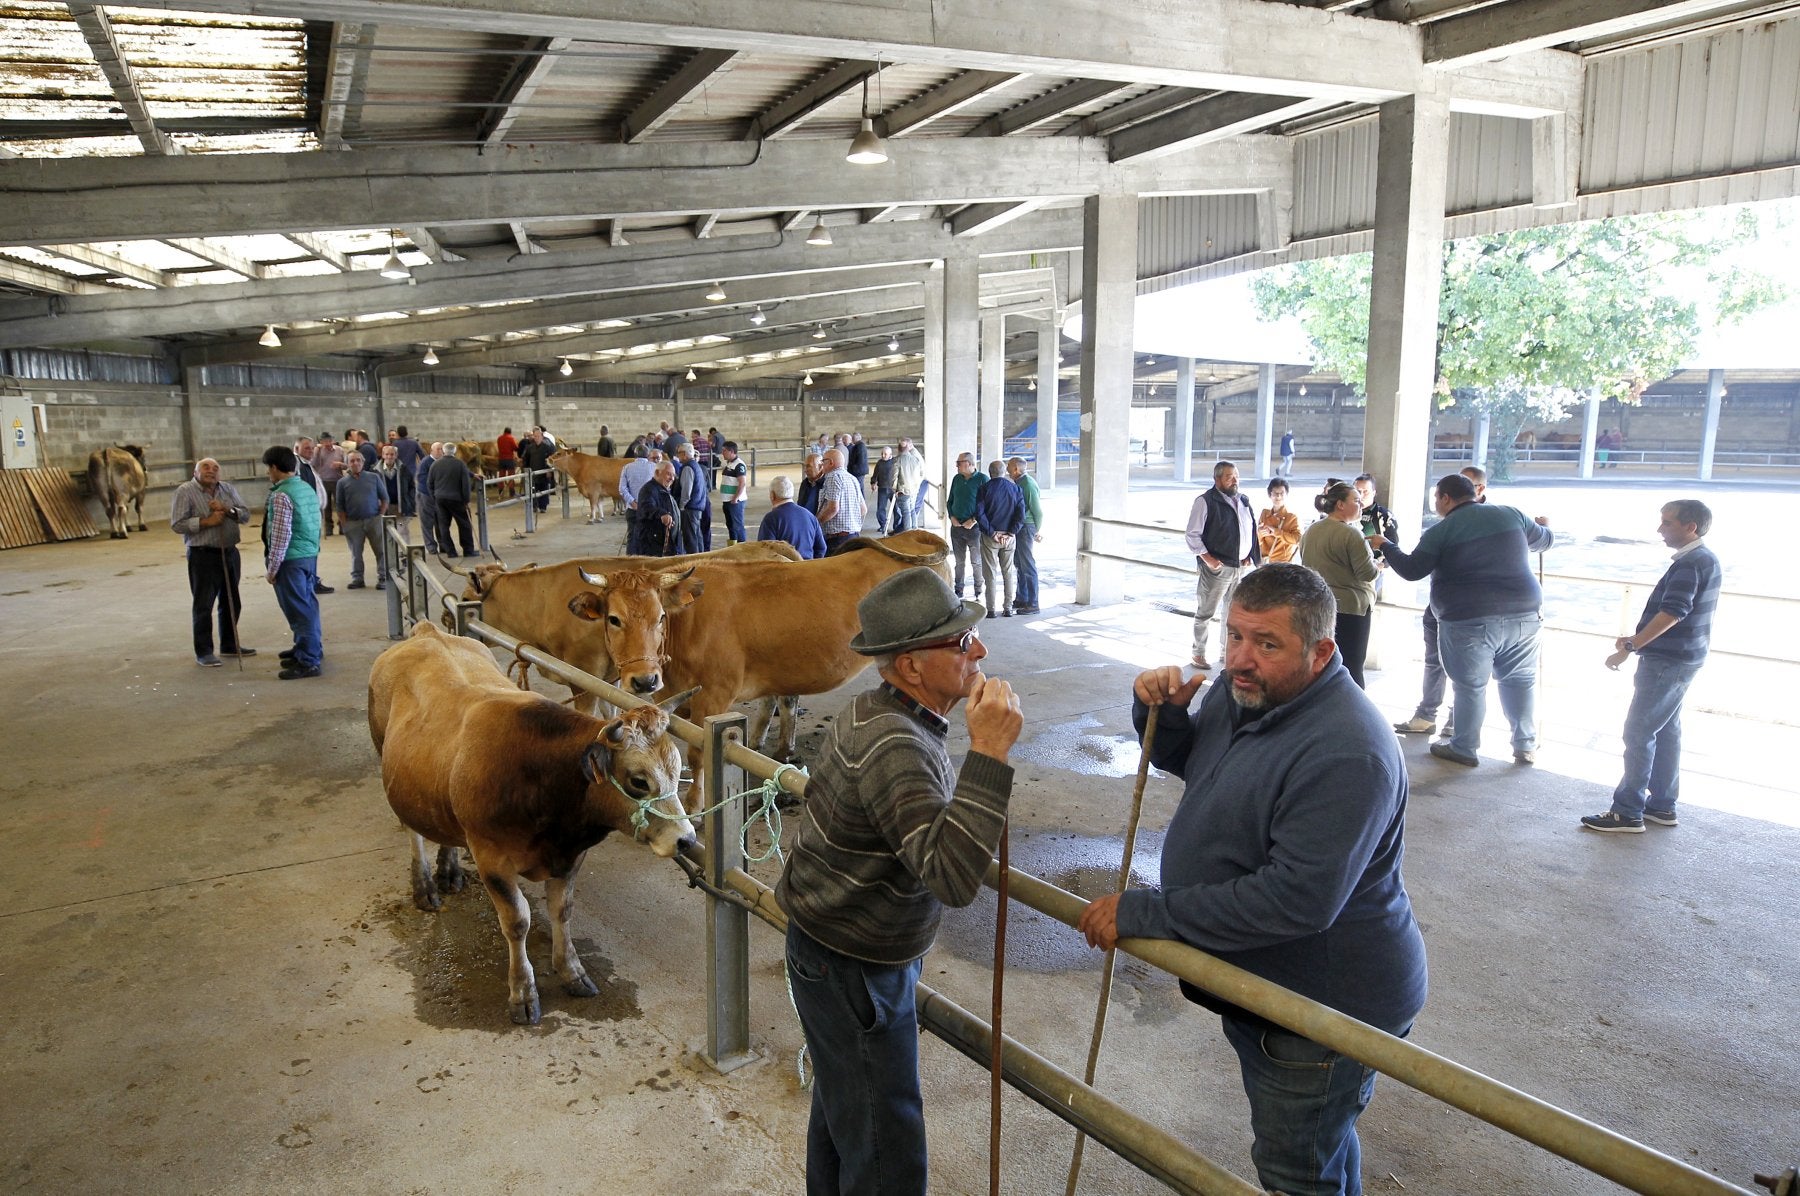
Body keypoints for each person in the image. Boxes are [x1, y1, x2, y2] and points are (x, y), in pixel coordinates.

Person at [1079, 563, 1426, 1196]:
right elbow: (1201, 765)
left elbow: (1298, 899)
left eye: (1267, 644)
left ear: (1321, 652)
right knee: (1319, 1147)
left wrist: (1149, 912)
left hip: (1321, 1006)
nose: (1240, 658)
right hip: (1265, 982)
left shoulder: (1347, 750)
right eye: (1234, 635)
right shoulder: (1246, 690)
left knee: (1297, 1171)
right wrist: (1164, 718)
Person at [776, 567, 1021, 1196]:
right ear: (911, 666)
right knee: (888, 1154)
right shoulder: (895, 743)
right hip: (854, 969)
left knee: (847, 1115)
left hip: (832, 950)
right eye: (960, 642)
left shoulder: (875, 710)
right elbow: (953, 877)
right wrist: (990, 753)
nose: (979, 649)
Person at [1372, 474, 1553, 768]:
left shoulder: (1441, 531)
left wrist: (1387, 546)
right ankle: (1525, 745)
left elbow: (1412, 570)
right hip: (1525, 614)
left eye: (1436, 498)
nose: (1435, 503)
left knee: (1470, 686)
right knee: (1520, 680)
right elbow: (1545, 541)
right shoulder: (1512, 514)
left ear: (1445, 498)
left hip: (1468, 618)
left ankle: (1465, 747)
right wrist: (1544, 526)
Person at [1581, 500, 1723, 833]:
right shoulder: (1706, 559)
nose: (1660, 529)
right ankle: (1661, 805)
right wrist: (1636, 638)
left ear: (1691, 527)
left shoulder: (1690, 563)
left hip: (1667, 661)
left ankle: (1627, 811)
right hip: (1686, 657)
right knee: (1666, 731)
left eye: (1667, 523)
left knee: (1639, 732)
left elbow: (1674, 612)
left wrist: (1633, 645)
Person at [1394, 465, 1487, 738]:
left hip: (1470, 612)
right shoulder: (1444, 528)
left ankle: (1457, 723)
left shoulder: (1494, 519)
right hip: (1440, 608)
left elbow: (1412, 569)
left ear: (1479, 489)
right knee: (1435, 662)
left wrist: (1387, 546)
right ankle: (1427, 715)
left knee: (1467, 671)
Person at [170, 457, 255, 667]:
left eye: (215, 468)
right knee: (203, 604)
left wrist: (227, 510)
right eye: (206, 467)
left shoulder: (227, 489)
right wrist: (206, 522)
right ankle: (204, 651)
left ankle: (229, 644)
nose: (211, 471)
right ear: (195, 472)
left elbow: (245, 515)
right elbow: (177, 524)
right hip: (203, 555)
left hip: (230, 552)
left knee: (231, 601)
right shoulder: (185, 491)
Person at [1299, 481, 1379, 688]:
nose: (1360, 505)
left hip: (1318, 605)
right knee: (1352, 667)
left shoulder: (1311, 530)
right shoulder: (1352, 534)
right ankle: (1353, 707)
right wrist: (1378, 565)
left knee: (1322, 664)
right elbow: (1367, 573)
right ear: (1340, 505)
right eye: (1356, 501)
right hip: (1351, 608)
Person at [1185, 460, 1260, 671]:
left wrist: (1249, 554)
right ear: (1217, 479)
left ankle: (1227, 653)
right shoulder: (1205, 501)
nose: (1235, 480)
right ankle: (1198, 653)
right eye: (1229, 477)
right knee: (1206, 612)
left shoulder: (1243, 500)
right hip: (1216, 569)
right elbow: (1192, 535)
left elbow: (1249, 529)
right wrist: (1208, 559)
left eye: (1236, 476)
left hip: (1239, 567)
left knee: (1233, 614)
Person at [260, 445, 324, 680]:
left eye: (269, 468)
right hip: (308, 556)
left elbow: (280, 536)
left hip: (290, 561)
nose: (268, 473)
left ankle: (309, 661)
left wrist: (272, 569)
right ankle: (306, 648)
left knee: (298, 610)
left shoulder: (281, 495)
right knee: (307, 605)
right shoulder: (305, 488)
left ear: (275, 468)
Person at [975, 460, 1025, 618]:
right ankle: (1008, 608)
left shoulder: (984, 489)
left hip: (990, 537)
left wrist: (992, 533)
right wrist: (1010, 533)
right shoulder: (1016, 489)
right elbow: (1020, 515)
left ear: (990, 473)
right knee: (1008, 573)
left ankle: (990, 609)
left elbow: (979, 514)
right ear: (1004, 472)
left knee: (990, 574)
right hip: (1009, 538)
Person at [334, 450, 390, 589]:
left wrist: (380, 516)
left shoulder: (374, 477)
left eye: (358, 460)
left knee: (381, 551)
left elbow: (384, 498)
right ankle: (357, 579)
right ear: (347, 464)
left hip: (373, 520)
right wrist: (345, 524)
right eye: (352, 461)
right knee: (356, 553)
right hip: (353, 523)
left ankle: (383, 577)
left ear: (363, 462)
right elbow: (339, 506)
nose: (356, 463)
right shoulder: (342, 482)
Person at [946, 452, 986, 601]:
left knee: (976, 561)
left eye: (959, 463)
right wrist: (952, 516)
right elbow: (950, 501)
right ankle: (959, 589)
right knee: (959, 561)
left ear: (968, 463)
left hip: (974, 529)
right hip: (956, 527)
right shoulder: (957, 479)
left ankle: (978, 590)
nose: (956, 465)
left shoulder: (982, 479)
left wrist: (974, 520)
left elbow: (987, 504)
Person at [1005, 456, 1044, 613]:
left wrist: (1036, 530)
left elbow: (1038, 511)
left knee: (1027, 564)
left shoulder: (1027, 484)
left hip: (1027, 526)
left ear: (1016, 469)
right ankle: (1022, 598)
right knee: (1019, 563)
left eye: (1009, 465)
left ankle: (1033, 603)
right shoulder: (1019, 482)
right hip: (1020, 526)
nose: (1006, 467)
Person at [757, 475, 827, 560]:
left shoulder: (771, 519)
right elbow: (821, 548)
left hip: (785, 567)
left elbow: (765, 551)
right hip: (808, 565)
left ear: (772, 495)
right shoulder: (810, 516)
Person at [428, 442, 477, 558]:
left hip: (440, 499)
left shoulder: (435, 464)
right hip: (457, 500)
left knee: (443, 526)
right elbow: (466, 484)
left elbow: (429, 483)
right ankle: (468, 550)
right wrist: (466, 500)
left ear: (443, 451)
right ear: (455, 451)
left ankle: (451, 552)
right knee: (464, 524)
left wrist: (434, 497)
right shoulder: (460, 464)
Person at [815, 447, 866, 551]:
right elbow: (863, 509)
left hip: (837, 539)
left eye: (823, 461)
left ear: (831, 462)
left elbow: (833, 509)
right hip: (854, 536)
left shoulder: (832, 477)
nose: (821, 465)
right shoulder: (853, 478)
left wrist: (815, 522)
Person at [668, 434, 713, 553]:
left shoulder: (687, 468)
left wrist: (681, 507)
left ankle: (693, 560)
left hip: (690, 508)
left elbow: (686, 491)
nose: (678, 456)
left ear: (684, 454)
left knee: (690, 538)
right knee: (697, 536)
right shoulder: (696, 465)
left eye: (679, 453)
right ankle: (700, 558)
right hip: (697, 506)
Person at [630, 459, 683, 557]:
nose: (672, 478)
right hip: (652, 546)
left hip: (663, 545)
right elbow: (646, 507)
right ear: (658, 473)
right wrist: (662, 514)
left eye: (673, 475)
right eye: (668, 474)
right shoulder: (648, 490)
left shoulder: (663, 489)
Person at [619, 447, 659, 550]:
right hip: (650, 508)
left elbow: (622, 488)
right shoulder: (654, 467)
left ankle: (631, 558)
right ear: (648, 455)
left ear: (635, 455)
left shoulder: (627, 468)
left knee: (632, 537)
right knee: (649, 537)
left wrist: (632, 502)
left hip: (632, 509)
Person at [1258, 478, 1301, 565]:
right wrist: (1259, 533)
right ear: (1269, 495)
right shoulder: (1265, 513)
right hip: (1266, 562)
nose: (1278, 496)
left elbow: (1298, 539)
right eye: (1275, 493)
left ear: (1287, 494)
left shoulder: (1291, 517)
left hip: (1283, 564)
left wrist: (1277, 532)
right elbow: (1258, 541)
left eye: (1282, 493)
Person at [311, 433, 346, 536]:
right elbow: (313, 464)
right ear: (321, 442)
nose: (328, 443)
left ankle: (342, 525)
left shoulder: (340, 450)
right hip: (323, 481)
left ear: (333, 440)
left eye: (330, 441)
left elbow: (346, 465)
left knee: (340, 504)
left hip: (338, 480)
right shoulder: (318, 451)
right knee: (326, 506)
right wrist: (316, 452)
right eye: (325, 441)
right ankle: (328, 527)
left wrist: (340, 464)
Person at [716, 441, 749, 545]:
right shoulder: (730, 464)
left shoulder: (739, 465)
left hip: (735, 502)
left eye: (724, 450)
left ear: (731, 451)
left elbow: (742, 483)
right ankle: (733, 548)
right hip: (727, 500)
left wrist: (735, 498)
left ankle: (742, 548)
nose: (722, 453)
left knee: (738, 526)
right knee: (731, 526)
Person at [518, 426, 556, 513]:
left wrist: (549, 470)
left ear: (542, 436)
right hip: (533, 472)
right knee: (533, 490)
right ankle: (534, 506)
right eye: (535, 436)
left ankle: (543, 507)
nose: (536, 438)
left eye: (538, 436)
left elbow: (552, 459)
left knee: (544, 489)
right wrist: (526, 470)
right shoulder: (529, 447)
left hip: (544, 472)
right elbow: (526, 459)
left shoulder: (548, 447)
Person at [892, 436, 924, 533]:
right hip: (914, 490)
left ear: (898, 449)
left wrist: (894, 489)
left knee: (906, 512)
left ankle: (908, 533)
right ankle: (914, 531)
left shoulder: (897, 460)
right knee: (912, 510)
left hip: (903, 490)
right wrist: (916, 486)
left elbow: (894, 477)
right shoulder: (915, 459)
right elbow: (921, 474)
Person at [392, 425, 423, 523]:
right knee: (412, 490)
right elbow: (422, 455)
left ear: (398, 433)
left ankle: (406, 511)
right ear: (407, 432)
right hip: (412, 470)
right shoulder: (414, 443)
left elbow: (393, 457)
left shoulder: (395, 443)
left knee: (403, 491)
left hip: (400, 470)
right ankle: (413, 510)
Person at [871, 446, 897, 534]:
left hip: (893, 489)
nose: (883, 455)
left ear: (890, 454)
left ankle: (897, 527)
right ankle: (883, 526)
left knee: (896, 509)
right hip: (882, 488)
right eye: (882, 453)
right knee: (880, 509)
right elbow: (875, 475)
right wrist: (873, 483)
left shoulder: (895, 462)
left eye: (885, 454)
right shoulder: (879, 463)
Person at [495, 426, 519, 498]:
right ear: (510, 432)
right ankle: (511, 493)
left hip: (501, 459)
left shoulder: (499, 438)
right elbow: (515, 448)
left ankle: (500, 492)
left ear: (504, 431)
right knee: (511, 476)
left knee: (501, 476)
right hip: (509, 459)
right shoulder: (511, 438)